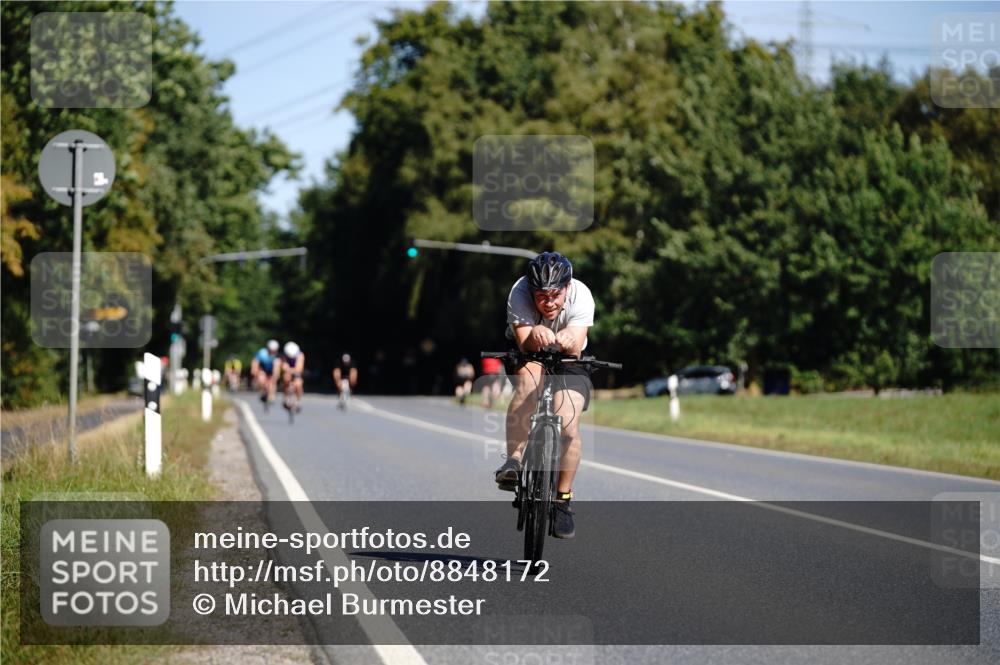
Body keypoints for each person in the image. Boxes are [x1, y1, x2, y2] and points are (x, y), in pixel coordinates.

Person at [493, 252, 595, 539]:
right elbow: (525, 342)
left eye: (555, 295)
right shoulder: (519, 291)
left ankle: (563, 500)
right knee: (529, 384)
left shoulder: (582, 294)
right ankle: (513, 460)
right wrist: (535, 332)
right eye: (541, 296)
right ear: (531, 290)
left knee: (567, 424)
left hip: (570, 359)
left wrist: (568, 339)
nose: (549, 303)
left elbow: (575, 345)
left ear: (567, 287)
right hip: (529, 352)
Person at [251, 339, 281, 406]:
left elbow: (277, 368)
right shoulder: (262, 353)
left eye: (274, 350)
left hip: (272, 369)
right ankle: (262, 391)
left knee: (273, 381)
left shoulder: (277, 356)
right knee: (261, 379)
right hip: (263, 369)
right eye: (271, 350)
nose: (273, 352)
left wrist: (275, 376)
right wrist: (254, 370)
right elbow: (255, 362)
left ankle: (271, 395)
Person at [280, 341, 305, 412]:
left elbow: (299, 369)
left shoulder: (300, 355)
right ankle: (285, 396)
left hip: (296, 372)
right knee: (286, 378)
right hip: (289, 372)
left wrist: (290, 369)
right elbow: (283, 367)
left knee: (298, 384)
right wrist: (289, 370)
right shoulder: (284, 356)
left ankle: (298, 400)